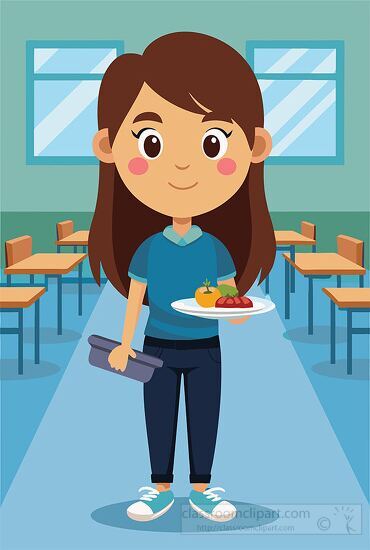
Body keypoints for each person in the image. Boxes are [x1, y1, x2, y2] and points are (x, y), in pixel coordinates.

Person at [89, 32, 275, 523]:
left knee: (205, 419)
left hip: (207, 346)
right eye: (151, 142)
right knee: (158, 418)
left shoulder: (215, 247)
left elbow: (230, 299)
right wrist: (125, 344)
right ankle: (158, 488)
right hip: (156, 347)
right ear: (109, 148)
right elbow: (137, 297)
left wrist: (235, 313)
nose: (183, 163)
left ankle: (203, 488)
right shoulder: (149, 248)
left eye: (212, 141)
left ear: (255, 147)